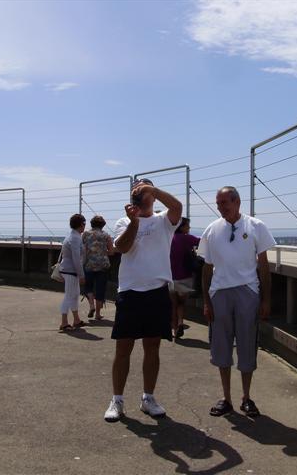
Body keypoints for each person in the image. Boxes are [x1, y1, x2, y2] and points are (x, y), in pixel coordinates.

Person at [103, 178, 182, 422]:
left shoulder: (163, 220)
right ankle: (117, 400)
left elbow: (178, 207)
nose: (140, 191)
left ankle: (148, 398)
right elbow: (123, 248)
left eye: (144, 188)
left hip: (157, 291)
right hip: (130, 292)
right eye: (136, 188)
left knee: (152, 347)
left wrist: (154, 189)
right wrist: (134, 223)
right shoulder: (123, 221)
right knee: (123, 348)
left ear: (154, 196)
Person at [200, 186, 276, 418]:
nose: (221, 207)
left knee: (246, 345)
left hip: (247, 292)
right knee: (221, 346)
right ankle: (227, 398)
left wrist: (265, 299)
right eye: (218, 203)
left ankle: (246, 397)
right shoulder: (212, 229)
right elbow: (207, 267)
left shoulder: (255, 226)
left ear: (237, 202)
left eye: (224, 203)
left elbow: (263, 265)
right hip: (220, 292)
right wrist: (207, 300)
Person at [169, 217, 200, 339]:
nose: (189, 228)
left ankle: (175, 329)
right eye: (188, 225)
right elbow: (202, 242)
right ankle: (181, 321)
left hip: (170, 277)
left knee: (173, 304)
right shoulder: (187, 238)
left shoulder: (168, 238)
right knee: (181, 303)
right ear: (182, 227)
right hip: (185, 276)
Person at [58, 214, 87, 332]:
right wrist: (82, 275)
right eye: (84, 223)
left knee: (74, 294)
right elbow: (76, 258)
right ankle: (64, 322)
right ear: (81, 224)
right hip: (70, 270)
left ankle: (76, 319)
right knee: (69, 295)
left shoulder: (73, 235)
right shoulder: (75, 238)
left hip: (69, 269)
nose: (85, 226)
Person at [82, 215, 114, 320]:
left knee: (88, 287)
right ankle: (98, 314)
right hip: (103, 266)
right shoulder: (106, 235)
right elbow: (111, 251)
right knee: (100, 289)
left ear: (91, 224)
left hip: (89, 264)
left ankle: (91, 306)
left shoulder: (85, 234)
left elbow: (82, 249)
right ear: (103, 225)